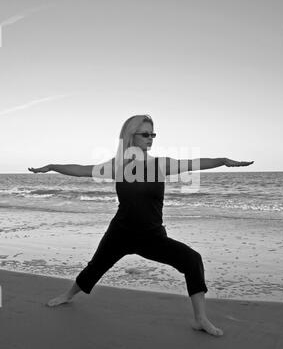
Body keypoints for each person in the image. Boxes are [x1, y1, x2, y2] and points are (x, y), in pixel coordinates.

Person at [28, 114, 254, 337]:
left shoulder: (160, 165)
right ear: (131, 136)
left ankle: (200, 319)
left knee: (192, 260)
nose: (151, 138)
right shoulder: (117, 167)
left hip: (152, 236)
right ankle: (68, 295)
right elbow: (82, 170)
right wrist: (52, 166)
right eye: (146, 134)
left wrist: (222, 160)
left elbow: (194, 164)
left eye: (153, 134)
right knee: (95, 267)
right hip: (120, 232)